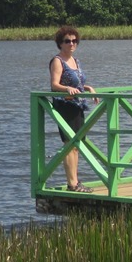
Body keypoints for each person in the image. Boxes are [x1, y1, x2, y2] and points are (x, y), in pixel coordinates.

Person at [49, 25, 95, 192]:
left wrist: (88, 88)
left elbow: (78, 83)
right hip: (65, 106)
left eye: (74, 41)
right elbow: (54, 85)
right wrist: (66, 89)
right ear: (60, 43)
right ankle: (72, 184)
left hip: (78, 105)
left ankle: (76, 181)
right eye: (67, 41)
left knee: (77, 145)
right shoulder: (57, 60)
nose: (71, 44)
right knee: (69, 144)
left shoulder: (76, 61)